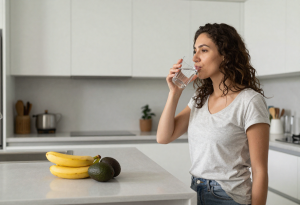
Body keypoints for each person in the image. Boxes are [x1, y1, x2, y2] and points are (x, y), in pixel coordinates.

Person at [157, 23, 270, 205]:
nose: (195, 58)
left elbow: (260, 171)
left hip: (229, 197)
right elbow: (163, 137)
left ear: (225, 55)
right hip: (196, 190)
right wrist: (174, 93)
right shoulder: (199, 100)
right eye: (195, 50)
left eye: (203, 50)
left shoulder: (250, 101)